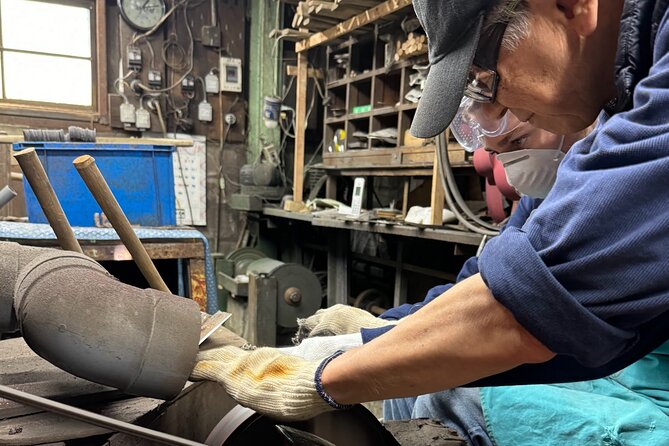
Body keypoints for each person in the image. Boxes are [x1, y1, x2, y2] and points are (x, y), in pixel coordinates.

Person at [191, 0, 669, 429]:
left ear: (569, 6)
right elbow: (493, 279)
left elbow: (526, 308)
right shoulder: (628, 92)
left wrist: (318, 376)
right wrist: (373, 336)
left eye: (488, 83)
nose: (495, 113)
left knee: (443, 392)